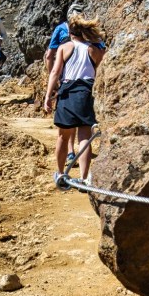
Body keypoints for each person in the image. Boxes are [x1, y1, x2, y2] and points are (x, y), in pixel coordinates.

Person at [44, 14, 105, 189]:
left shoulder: (65, 47)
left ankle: (62, 174)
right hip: (86, 93)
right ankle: (84, 179)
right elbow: (101, 74)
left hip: (68, 93)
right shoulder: (93, 50)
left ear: (70, 32)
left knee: (63, 136)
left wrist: (48, 96)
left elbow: (55, 72)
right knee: (85, 136)